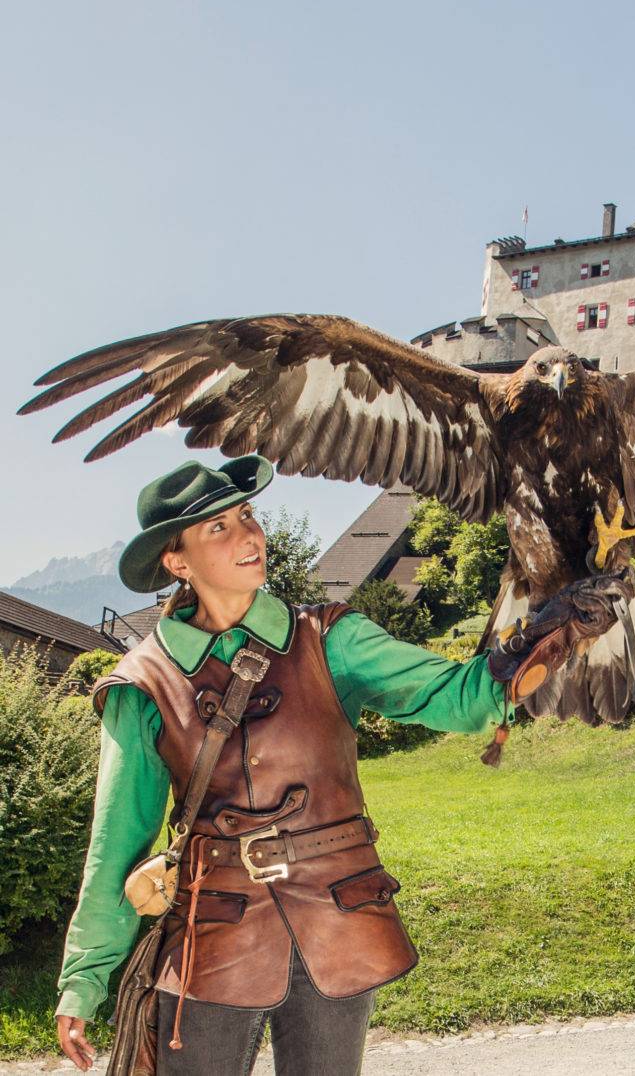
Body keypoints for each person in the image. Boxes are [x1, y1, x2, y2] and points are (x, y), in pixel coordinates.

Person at [53, 455, 593, 1074]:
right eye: (218, 529)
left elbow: (460, 698)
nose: (250, 536)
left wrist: (550, 636)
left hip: (340, 918)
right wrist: (85, 980)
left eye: (247, 516)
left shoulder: (331, 639)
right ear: (176, 561)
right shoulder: (143, 684)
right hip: (211, 930)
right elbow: (115, 842)